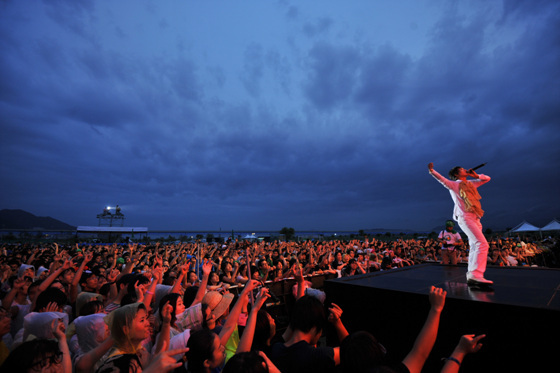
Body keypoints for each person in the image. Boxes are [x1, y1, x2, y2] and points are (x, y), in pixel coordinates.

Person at [428, 163, 493, 286]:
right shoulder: (454, 185)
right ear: (456, 174)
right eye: (462, 169)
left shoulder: (471, 183)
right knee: (482, 244)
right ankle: (477, 274)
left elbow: (487, 178)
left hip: (476, 217)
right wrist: (432, 171)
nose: (465, 169)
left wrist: (476, 175)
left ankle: (472, 274)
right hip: (465, 217)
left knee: (475, 245)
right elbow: (442, 180)